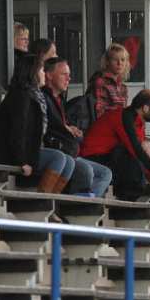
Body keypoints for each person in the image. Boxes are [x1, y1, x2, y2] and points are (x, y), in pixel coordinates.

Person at [0, 55, 75, 193]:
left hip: (31, 149)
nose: (44, 74)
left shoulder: (36, 95)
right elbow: (18, 131)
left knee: (69, 162)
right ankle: (42, 199)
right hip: (14, 154)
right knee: (58, 158)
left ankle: (53, 200)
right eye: (41, 70)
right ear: (32, 72)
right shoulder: (21, 96)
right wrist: (22, 161)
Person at [80, 89, 150, 201]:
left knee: (146, 145)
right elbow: (136, 150)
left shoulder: (137, 120)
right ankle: (134, 194)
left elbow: (142, 149)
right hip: (93, 158)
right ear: (145, 108)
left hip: (106, 156)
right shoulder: (125, 117)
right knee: (127, 153)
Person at [43, 57, 113, 197]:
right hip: (58, 152)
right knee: (86, 171)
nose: (69, 79)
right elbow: (51, 127)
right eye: (64, 74)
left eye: (69, 75)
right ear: (49, 75)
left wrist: (72, 128)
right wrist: (67, 129)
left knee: (106, 173)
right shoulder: (44, 98)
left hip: (70, 152)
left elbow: (63, 124)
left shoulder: (60, 99)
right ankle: (75, 204)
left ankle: (85, 202)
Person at [91, 43, 130, 119]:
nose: (119, 63)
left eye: (122, 60)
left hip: (119, 123)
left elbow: (123, 111)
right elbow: (98, 113)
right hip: (105, 123)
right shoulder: (100, 82)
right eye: (115, 59)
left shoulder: (123, 87)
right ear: (107, 62)